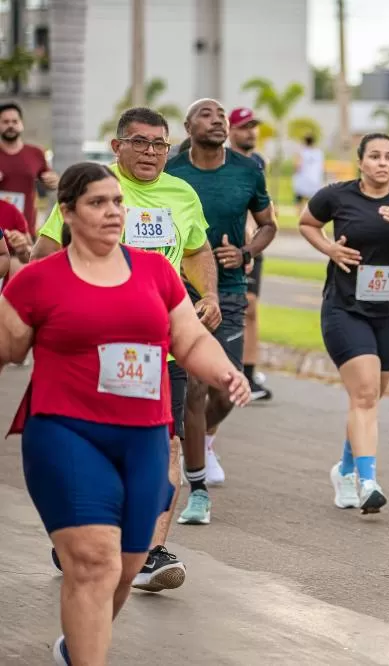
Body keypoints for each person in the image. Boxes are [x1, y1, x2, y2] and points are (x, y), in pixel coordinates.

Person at [0, 162, 250, 666]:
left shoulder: (156, 272)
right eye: (97, 202)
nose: (113, 211)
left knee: (128, 562)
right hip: (65, 431)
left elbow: (190, 337)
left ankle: (79, 644)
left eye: (118, 201)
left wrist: (226, 372)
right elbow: (7, 346)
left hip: (144, 436)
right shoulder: (36, 282)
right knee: (93, 563)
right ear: (67, 212)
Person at [31, 107, 220, 593]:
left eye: (160, 144)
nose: (151, 152)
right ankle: (81, 533)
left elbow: (197, 249)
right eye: (140, 143)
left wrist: (209, 295)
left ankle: (151, 553)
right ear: (118, 147)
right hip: (96, 342)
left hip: (163, 346)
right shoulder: (93, 186)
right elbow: (46, 252)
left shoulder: (182, 193)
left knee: (164, 446)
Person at [299, 132, 389, 514]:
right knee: (364, 395)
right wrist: (329, 248)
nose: (382, 163)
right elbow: (308, 222)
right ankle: (368, 482)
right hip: (345, 307)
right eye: (374, 156)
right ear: (361, 161)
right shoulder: (338, 195)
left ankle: (344, 470)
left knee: (371, 396)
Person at [166, 98, 277, 524]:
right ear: (188, 124)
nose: (217, 120)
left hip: (228, 290)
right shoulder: (172, 171)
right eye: (206, 114)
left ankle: (205, 438)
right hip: (180, 293)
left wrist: (246, 251)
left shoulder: (247, 170)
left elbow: (269, 224)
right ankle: (197, 491)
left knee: (230, 387)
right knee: (193, 387)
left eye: (221, 116)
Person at [228, 106, 274, 401]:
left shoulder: (258, 163)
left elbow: (260, 207)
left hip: (251, 245)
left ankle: (248, 372)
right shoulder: (220, 161)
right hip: (224, 244)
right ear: (230, 131)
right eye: (244, 126)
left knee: (251, 307)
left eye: (253, 126)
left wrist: (253, 244)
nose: (251, 132)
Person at [0, 102, 59, 236]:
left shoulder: (36, 153)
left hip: (26, 229)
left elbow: (49, 183)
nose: (10, 125)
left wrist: (53, 181)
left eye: (15, 121)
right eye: (5, 121)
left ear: (21, 124)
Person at [293, 135, 326, 215]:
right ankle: (310, 213)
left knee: (299, 197)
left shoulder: (302, 152)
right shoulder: (319, 153)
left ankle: (299, 213)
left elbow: (298, 165)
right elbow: (322, 166)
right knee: (312, 198)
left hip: (303, 178)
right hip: (315, 178)